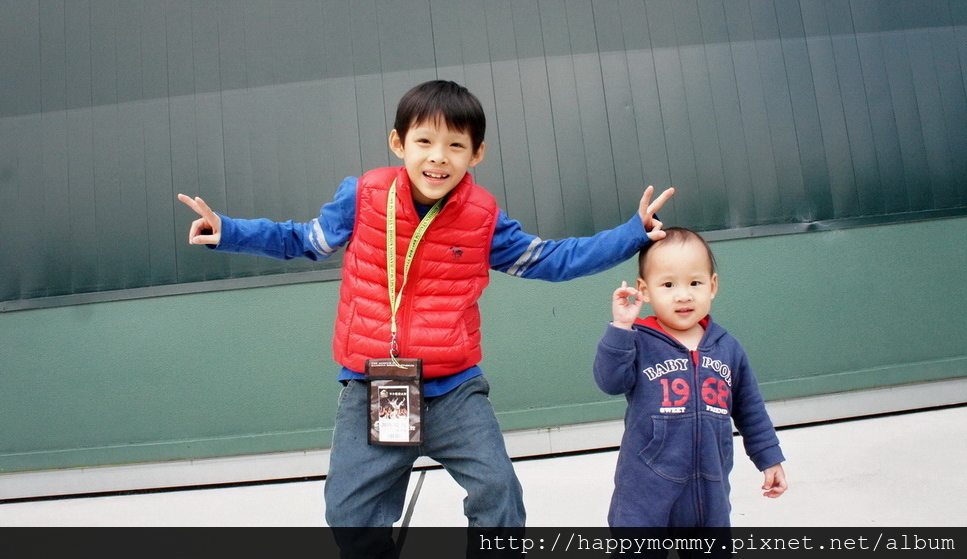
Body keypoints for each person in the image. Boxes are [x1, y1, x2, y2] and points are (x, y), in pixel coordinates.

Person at [178, 80, 674, 554]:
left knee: (499, 493)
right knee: (349, 515)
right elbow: (301, 241)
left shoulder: (483, 219)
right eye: (424, 140)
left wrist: (633, 233)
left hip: (454, 389)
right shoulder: (364, 197)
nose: (438, 156)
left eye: (456, 145)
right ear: (399, 143)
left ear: (475, 154)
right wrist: (229, 231)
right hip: (379, 385)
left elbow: (552, 258)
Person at [593, 227, 786, 554]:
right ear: (645, 291)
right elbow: (609, 382)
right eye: (668, 285)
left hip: (708, 486)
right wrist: (621, 329)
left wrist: (769, 458)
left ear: (712, 287)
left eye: (694, 283)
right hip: (644, 486)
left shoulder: (727, 348)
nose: (683, 295)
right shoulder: (638, 341)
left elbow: (750, 409)